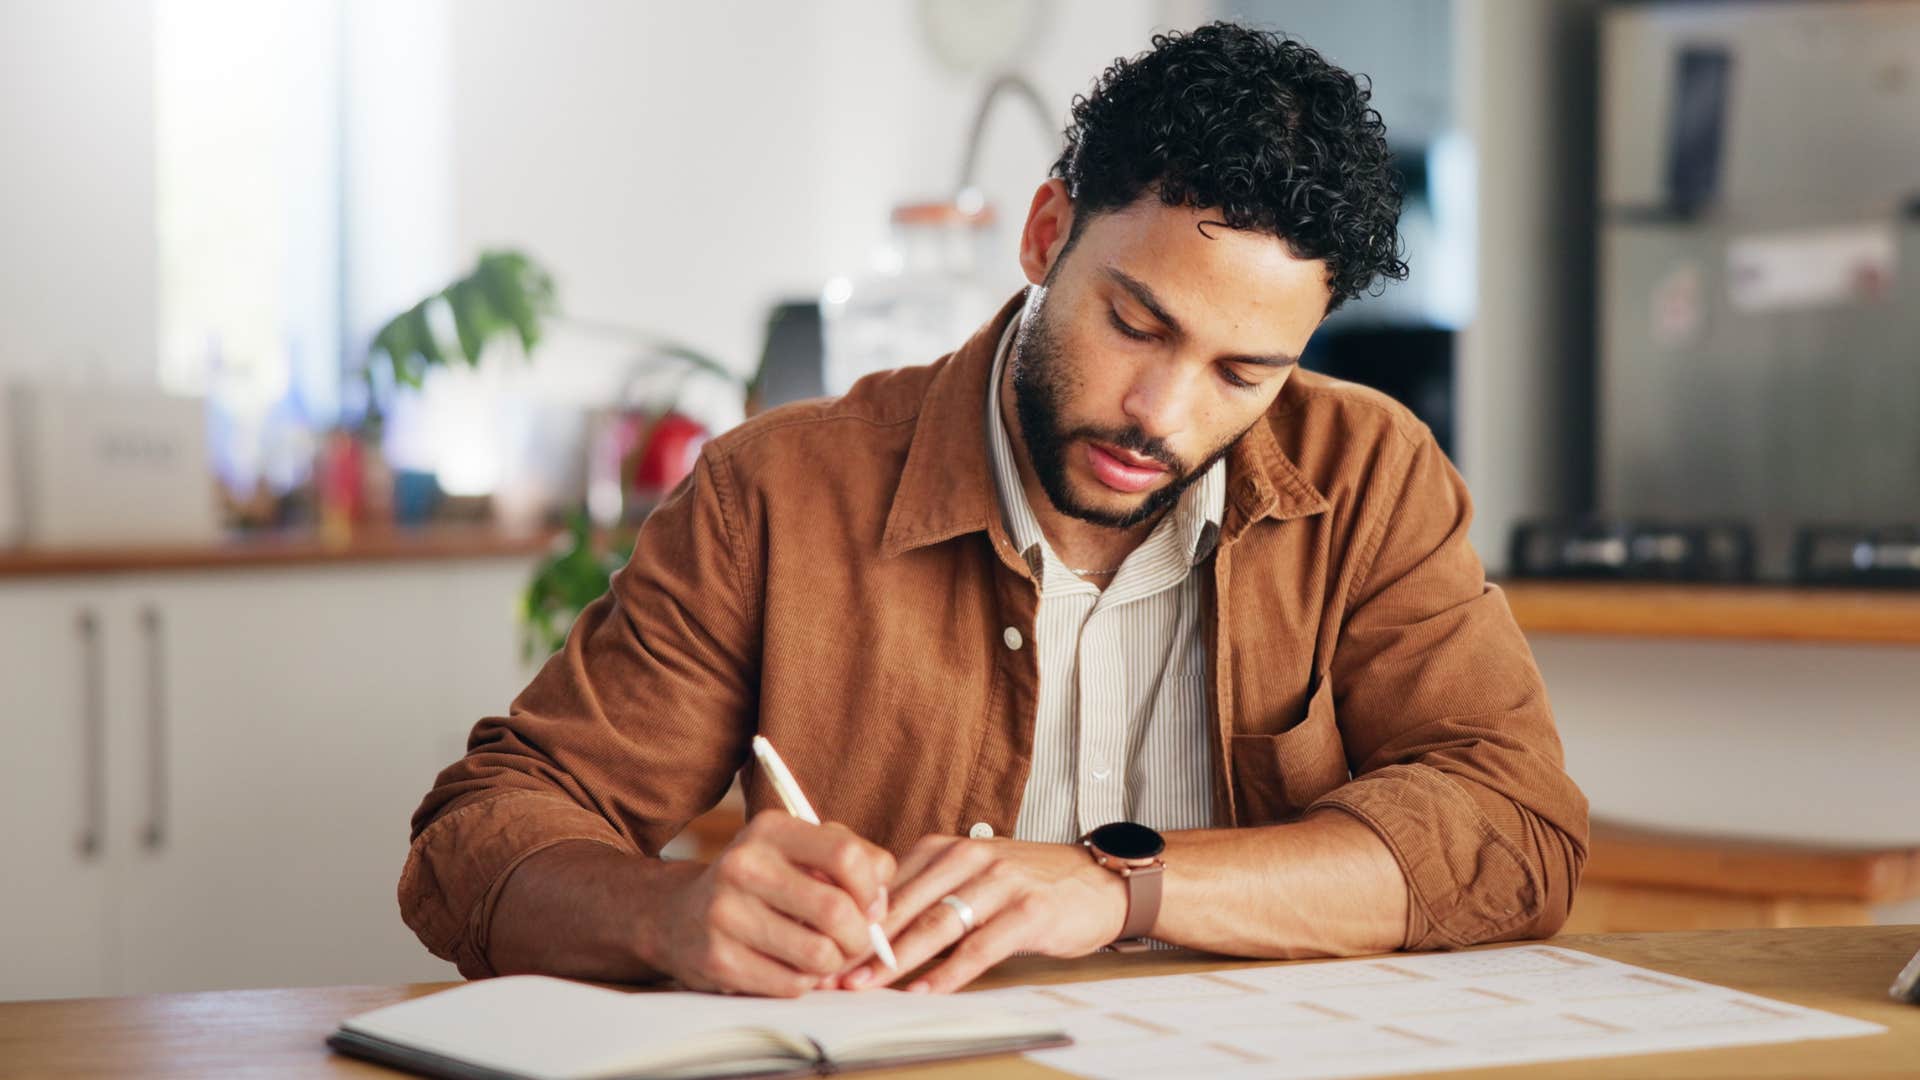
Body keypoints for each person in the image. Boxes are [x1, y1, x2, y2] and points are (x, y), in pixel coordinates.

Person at [399, 21, 1588, 998]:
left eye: (1244, 373)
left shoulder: (1371, 474)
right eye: (1135, 323)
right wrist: (671, 915)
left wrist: (1117, 883)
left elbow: (1512, 827)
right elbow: (479, 836)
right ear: (1045, 233)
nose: (1160, 415)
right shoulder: (777, 496)